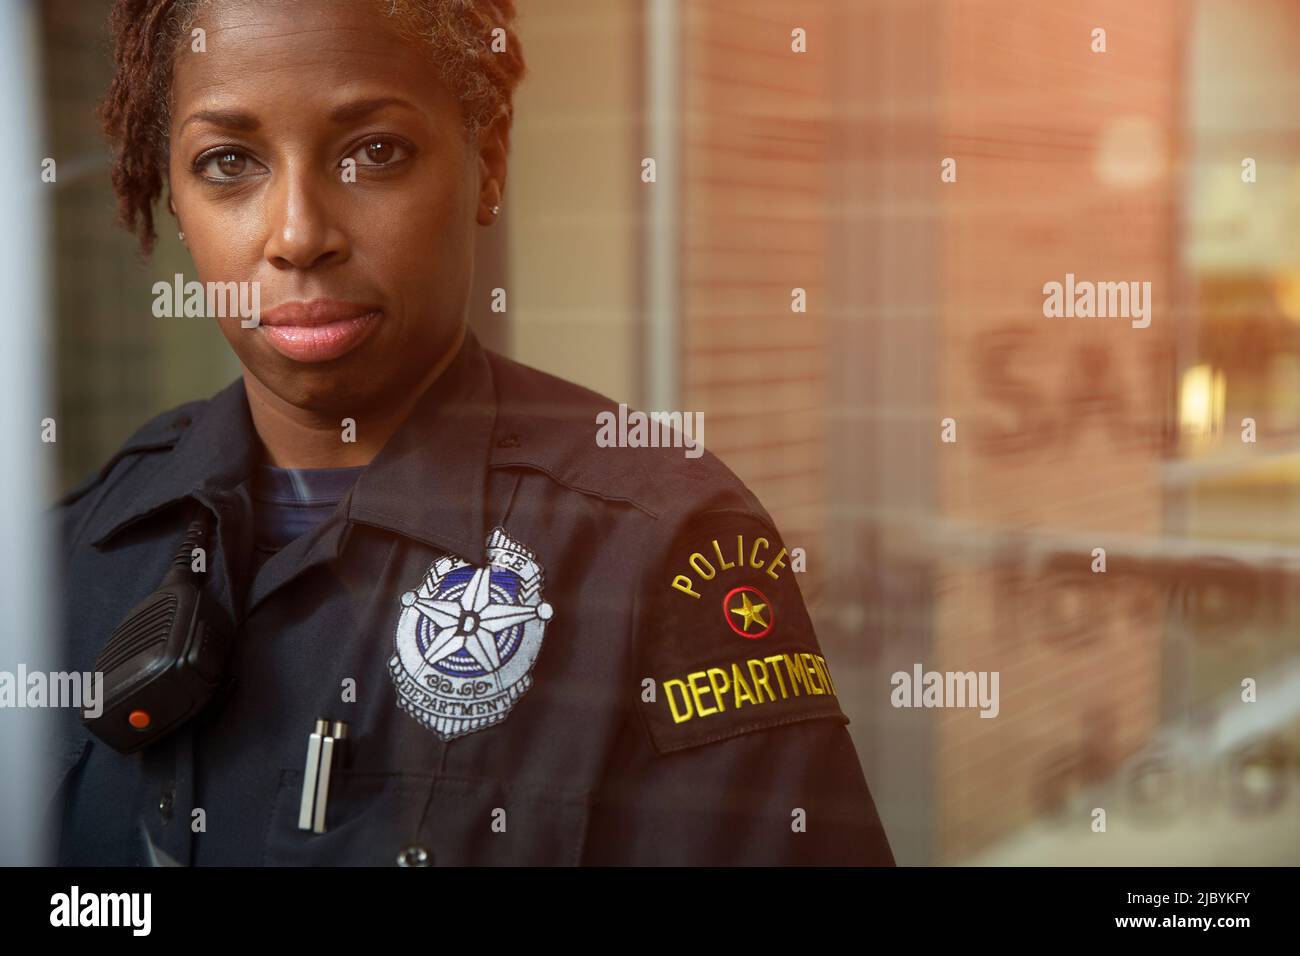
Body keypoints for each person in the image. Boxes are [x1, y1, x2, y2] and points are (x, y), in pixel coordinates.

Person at [47, 0, 895, 866]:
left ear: (486, 164)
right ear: (175, 197)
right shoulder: (80, 548)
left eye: (374, 152)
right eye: (228, 161)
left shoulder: (658, 545)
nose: (298, 234)